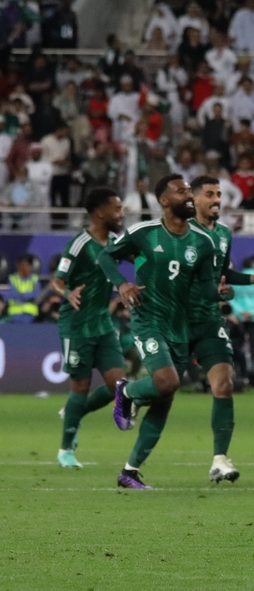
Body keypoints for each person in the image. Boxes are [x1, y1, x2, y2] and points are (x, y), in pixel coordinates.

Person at [98, 174, 229, 490]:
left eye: (189, 191)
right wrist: (122, 284)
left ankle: (130, 471)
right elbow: (105, 256)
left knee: (164, 397)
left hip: (180, 327)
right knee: (168, 381)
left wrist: (220, 292)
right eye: (181, 191)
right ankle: (127, 392)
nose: (188, 195)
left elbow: (205, 288)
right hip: (149, 320)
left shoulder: (204, 242)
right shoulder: (144, 233)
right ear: (164, 201)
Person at [188, 175, 254, 483]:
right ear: (194, 199)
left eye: (219, 194)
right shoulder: (182, 231)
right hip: (177, 319)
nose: (217, 199)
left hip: (209, 320)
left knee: (224, 384)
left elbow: (223, 274)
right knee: (163, 386)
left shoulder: (223, 233)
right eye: (210, 194)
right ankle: (129, 393)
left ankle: (219, 460)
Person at [50, 188, 127, 468]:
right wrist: (67, 292)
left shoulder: (116, 242)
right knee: (80, 387)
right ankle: (65, 450)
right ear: (100, 213)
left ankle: (75, 412)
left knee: (118, 385)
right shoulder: (79, 244)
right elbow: (57, 280)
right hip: (77, 326)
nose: (122, 214)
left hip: (104, 324)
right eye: (117, 209)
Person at [8, 254, 41, 322]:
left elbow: (37, 294)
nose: (26, 267)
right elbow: (13, 294)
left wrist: (23, 295)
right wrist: (30, 295)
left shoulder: (35, 279)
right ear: (18, 266)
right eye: (23, 264)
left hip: (30, 314)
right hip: (15, 314)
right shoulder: (12, 279)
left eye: (28, 265)